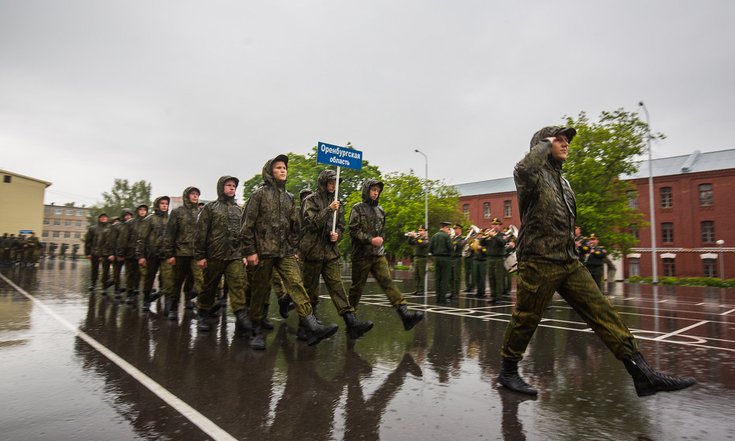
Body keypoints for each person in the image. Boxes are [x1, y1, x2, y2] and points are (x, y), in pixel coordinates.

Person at [498, 125, 695, 397]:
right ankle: (508, 371)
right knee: (527, 318)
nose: (566, 144)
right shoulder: (531, 176)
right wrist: (543, 144)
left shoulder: (564, 183)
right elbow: (524, 167)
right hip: (539, 261)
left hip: (568, 261)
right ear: (542, 144)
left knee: (603, 312)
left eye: (567, 140)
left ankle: (642, 373)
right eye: (559, 140)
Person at [242, 155, 338, 349]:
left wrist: (294, 248)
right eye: (278, 167)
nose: (283, 170)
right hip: (263, 252)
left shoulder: (290, 197)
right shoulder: (259, 195)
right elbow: (246, 226)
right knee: (260, 292)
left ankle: (311, 325)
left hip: (285, 251)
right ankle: (256, 330)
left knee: (296, 284)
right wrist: (250, 251)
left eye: (284, 167)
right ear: (270, 171)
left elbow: (295, 227)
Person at [301, 169, 373, 339]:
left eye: (336, 182)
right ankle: (305, 327)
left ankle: (351, 321)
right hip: (312, 252)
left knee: (337, 287)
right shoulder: (310, 200)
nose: (334, 185)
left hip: (330, 253)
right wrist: (328, 210)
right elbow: (311, 223)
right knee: (310, 291)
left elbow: (340, 225)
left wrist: (338, 235)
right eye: (331, 182)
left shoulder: (338, 203)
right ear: (323, 182)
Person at [348, 179, 424, 331]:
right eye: (373, 189)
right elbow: (353, 230)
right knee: (357, 288)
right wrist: (370, 239)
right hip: (361, 255)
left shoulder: (381, 210)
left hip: (377, 255)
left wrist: (380, 240)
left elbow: (382, 230)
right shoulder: (358, 208)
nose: (376, 192)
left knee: (388, 282)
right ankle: (352, 322)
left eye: (378, 190)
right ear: (367, 190)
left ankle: (405, 315)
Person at [195, 176, 251, 335]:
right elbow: (200, 233)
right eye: (228, 185)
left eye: (234, 186)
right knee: (209, 286)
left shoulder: (239, 210)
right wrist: (200, 256)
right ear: (221, 187)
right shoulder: (210, 208)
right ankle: (202, 313)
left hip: (234, 255)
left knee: (238, 284)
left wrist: (245, 254)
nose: (232, 188)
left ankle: (241, 313)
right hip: (214, 255)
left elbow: (243, 234)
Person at [164, 186, 204, 321]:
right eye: (192, 194)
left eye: (197, 194)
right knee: (177, 281)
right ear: (186, 196)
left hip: (196, 254)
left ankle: (196, 306)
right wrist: (169, 254)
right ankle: (173, 308)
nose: (195, 196)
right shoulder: (177, 212)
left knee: (197, 280)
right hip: (180, 253)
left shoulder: (201, 213)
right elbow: (169, 234)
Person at [136, 196, 172, 310]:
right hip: (151, 254)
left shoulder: (171, 219)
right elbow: (142, 238)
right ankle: (146, 300)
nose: (164, 205)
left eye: (166, 203)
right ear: (157, 205)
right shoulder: (149, 219)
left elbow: (173, 237)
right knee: (149, 278)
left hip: (166, 254)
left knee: (168, 279)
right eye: (162, 203)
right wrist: (141, 256)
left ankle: (167, 302)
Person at [121, 204, 148, 305]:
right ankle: (129, 293)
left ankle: (136, 289)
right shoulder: (130, 222)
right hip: (130, 252)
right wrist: (121, 252)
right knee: (130, 274)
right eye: (140, 209)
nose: (142, 211)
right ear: (137, 211)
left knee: (139, 273)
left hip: (143, 253)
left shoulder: (148, 222)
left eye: (144, 210)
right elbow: (124, 238)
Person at [84, 213, 111, 292]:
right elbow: (88, 241)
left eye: (105, 217)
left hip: (106, 253)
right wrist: (87, 253)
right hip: (95, 252)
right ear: (99, 218)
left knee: (106, 270)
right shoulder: (93, 228)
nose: (103, 218)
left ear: (107, 218)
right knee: (94, 269)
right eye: (102, 217)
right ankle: (93, 284)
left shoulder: (111, 228)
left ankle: (104, 286)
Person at [429, 222, 453, 304]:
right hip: (445, 259)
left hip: (436, 258)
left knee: (438, 279)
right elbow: (451, 247)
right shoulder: (446, 236)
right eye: (448, 228)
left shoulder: (434, 236)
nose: (448, 230)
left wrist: (435, 254)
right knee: (444, 279)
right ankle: (442, 299)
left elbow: (430, 249)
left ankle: (438, 298)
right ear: (445, 227)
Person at [486, 218, 507, 304]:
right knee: (491, 278)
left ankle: (498, 297)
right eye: (493, 224)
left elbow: (503, 243)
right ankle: (493, 296)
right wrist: (484, 237)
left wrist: (494, 236)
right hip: (490, 258)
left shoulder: (502, 235)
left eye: (495, 225)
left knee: (498, 278)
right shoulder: (489, 236)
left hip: (499, 259)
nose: (493, 226)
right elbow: (483, 243)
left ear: (499, 226)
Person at [408, 226, 429, 295]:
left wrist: (415, 237)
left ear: (424, 232)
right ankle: (417, 289)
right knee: (416, 275)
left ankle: (421, 290)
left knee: (421, 274)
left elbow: (421, 244)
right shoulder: (418, 239)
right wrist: (411, 236)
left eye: (421, 230)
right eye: (419, 230)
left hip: (422, 258)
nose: (419, 232)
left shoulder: (426, 239)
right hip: (416, 258)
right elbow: (410, 243)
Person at [450, 224, 464, 299]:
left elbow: (460, 245)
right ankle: (452, 292)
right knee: (451, 276)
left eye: (456, 229)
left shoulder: (462, 238)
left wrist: (454, 241)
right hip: (451, 258)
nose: (455, 230)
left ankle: (456, 292)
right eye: (454, 229)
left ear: (460, 229)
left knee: (456, 276)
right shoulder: (453, 238)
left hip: (457, 258)